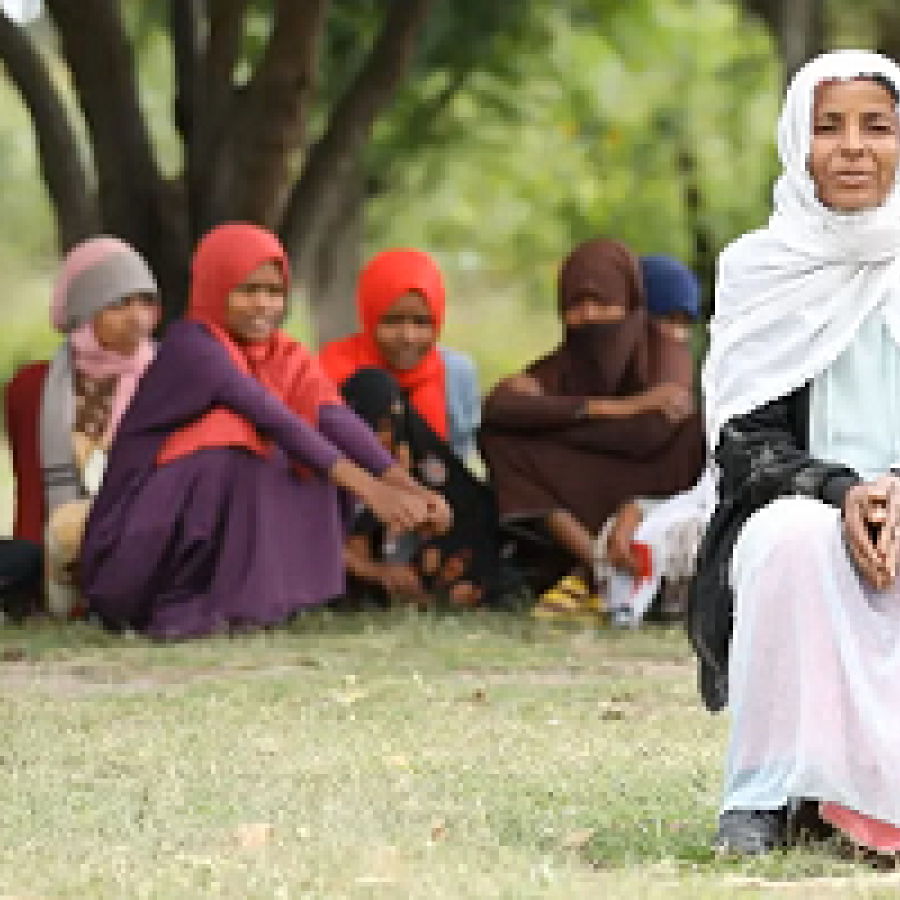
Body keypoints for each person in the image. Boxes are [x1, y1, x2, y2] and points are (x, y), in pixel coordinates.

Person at [690, 51, 900, 856]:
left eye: (876, 127)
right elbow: (744, 440)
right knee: (788, 539)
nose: (852, 147)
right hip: (809, 510)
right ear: (796, 144)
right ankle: (766, 793)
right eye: (828, 126)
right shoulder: (761, 268)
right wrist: (844, 492)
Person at [80, 222, 449, 638]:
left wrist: (406, 487)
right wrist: (371, 491)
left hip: (187, 512)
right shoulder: (193, 345)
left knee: (300, 450)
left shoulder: (285, 353)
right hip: (132, 549)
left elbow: (331, 416)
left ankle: (250, 601)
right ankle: (180, 601)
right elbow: (272, 416)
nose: (263, 305)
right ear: (216, 288)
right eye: (247, 290)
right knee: (236, 435)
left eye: (274, 292)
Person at [479, 238, 704, 618]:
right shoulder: (563, 365)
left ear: (631, 303)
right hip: (583, 480)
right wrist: (617, 407)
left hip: (655, 481)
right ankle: (602, 567)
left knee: (700, 433)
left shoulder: (664, 348)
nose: (589, 316)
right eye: (576, 306)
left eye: (603, 303)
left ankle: (630, 569)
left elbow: (651, 433)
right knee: (502, 440)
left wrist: (549, 418)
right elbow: (498, 409)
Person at [318, 249, 501, 607]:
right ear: (369, 317)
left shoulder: (455, 372)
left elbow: (454, 459)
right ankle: (362, 568)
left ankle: (418, 576)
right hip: (353, 507)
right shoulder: (332, 367)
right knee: (375, 388)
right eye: (392, 321)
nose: (407, 336)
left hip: (427, 505)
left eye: (421, 322)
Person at [40, 236, 161, 617]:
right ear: (85, 310)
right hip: (74, 516)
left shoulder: (166, 371)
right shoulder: (58, 382)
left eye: (146, 301)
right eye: (120, 303)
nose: (138, 317)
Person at [594, 254, 706, 624]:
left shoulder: (693, 414)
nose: (675, 336)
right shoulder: (585, 379)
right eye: (664, 320)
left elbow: (707, 487)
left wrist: (640, 508)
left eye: (684, 324)